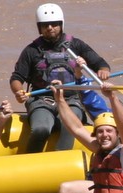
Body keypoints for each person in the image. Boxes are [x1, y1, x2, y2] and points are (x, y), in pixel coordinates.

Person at [9, 3, 110, 153]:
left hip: (71, 100)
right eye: (45, 25)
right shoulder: (31, 51)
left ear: (61, 24)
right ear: (40, 27)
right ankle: (29, 163)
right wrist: (18, 91)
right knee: (41, 129)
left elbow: (100, 64)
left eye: (54, 24)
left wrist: (103, 71)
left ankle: (60, 161)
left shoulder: (76, 45)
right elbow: (17, 77)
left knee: (69, 125)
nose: (50, 27)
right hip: (42, 100)